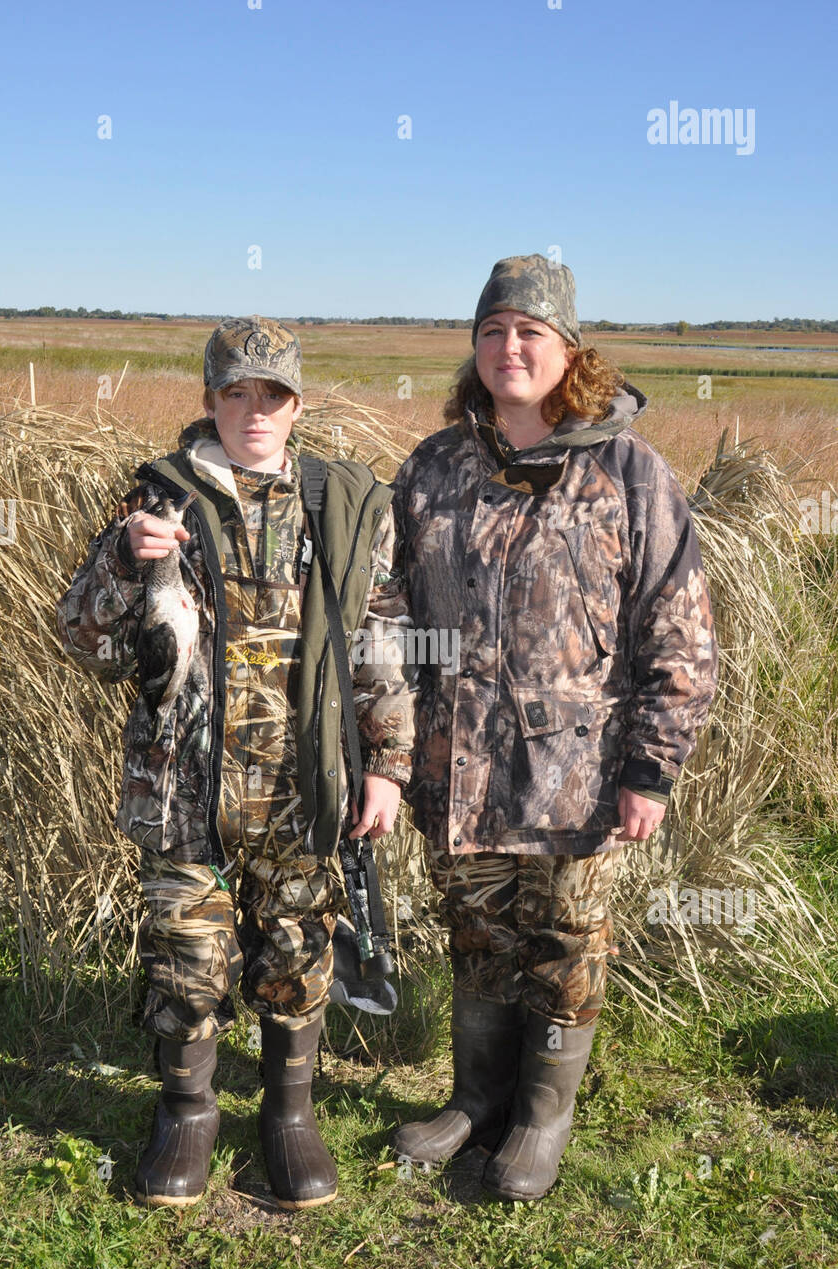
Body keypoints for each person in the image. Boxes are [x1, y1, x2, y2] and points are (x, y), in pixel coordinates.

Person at [56, 316, 416, 1209]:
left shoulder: (344, 503)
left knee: (296, 954)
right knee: (187, 959)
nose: (255, 411)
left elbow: (381, 642)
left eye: (274, 394)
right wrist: (119, 561)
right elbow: (84, 646)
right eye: (236, 393)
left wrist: (388, 764)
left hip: (307, 787)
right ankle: (188, 1111)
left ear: (297, 404)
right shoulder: (158, 502)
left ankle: (289, 1115)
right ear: (210, 398)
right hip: (183, 792)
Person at [391, 254, 719, 1201]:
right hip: (458, 764)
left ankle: (539, 1117)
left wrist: (651, 768)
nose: (508, 348)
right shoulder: (435, 465)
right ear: (474, 349)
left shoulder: (625, 470)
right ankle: (475, 1100)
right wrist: (393, 748)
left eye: (529, 332)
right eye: (492, 332)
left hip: (577, 771)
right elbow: (388, 612)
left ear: (568, 349)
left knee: (567, 942)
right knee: (477, 936)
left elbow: (678, 624)